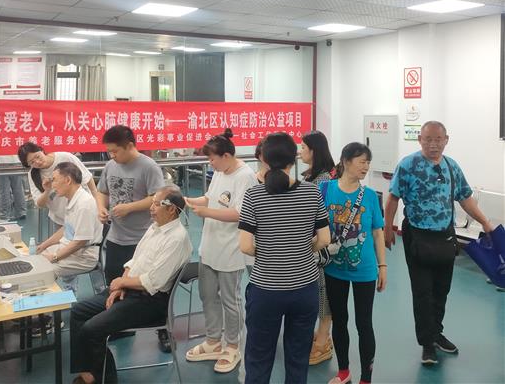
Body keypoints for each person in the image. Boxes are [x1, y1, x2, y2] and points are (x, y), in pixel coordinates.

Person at [384, 120, 493, 365]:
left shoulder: (451, 167)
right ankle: (426, 344)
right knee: (423, 292)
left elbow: (466, 199)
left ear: (446, 139)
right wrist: (387, 227)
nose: (433, 144)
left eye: (438, 139)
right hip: (417, 237)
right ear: (420, 140)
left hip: (444, 236)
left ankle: (437, 333)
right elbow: (393, 199)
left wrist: (485, 222)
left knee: (441, 290)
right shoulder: (408, 165)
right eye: (428, 139)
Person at [70, 186, 192, 384]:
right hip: (131, 289)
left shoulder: (177, 238)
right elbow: (134, 261)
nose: (151, 208)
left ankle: (105, 380)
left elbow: (153, 281)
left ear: (171, 209)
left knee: (91, 330)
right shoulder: (155, 227)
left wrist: (122, 282)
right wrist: (120, 286)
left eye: (156, 204)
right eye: (151, 203)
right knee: (78, 312)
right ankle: (88, 373)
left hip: (150, 302)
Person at [238, 132, 331, 384]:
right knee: (298, 358)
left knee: (258, 357)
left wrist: (271, 250)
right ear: (294, 159)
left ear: (265, 160)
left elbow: (245, 246)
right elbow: (324, 240)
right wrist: (300, 247)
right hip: (304, 289)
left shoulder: (253, 196)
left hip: (265, 290)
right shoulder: (312, 193)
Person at [185, 129, 258, 374]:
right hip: (210, 245)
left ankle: (233, 345)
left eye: (213, 158)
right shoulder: (219, 171)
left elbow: (240, 213)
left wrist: (206, 213)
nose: (210, 163)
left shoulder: (245, 176)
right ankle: (213, 340)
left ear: (226, 155)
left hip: (231, 248)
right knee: (208, 295)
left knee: (230, 300)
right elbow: (209, 198)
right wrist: (188, 201)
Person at [321, 142, 387, 384]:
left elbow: (378, 233)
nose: (366, 167)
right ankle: (344, 371)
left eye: (368, 162)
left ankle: (366, 378)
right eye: (362, 161)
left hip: (365, 270)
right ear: (346, 161)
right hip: (334, 268)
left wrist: (383, 266)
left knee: (364, 323)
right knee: (339, 320)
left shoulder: (369, 196)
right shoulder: (325, 190)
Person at [96, 125, 165, 284]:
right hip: (115, 237)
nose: (111, 155)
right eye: (109, 151)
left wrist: (129, 207)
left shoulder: (149, 167)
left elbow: (157, 198)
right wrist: (101, 208)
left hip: (141, 239)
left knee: (134, 285)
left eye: (115, 151)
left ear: (129, 146)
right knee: (113, 281)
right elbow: (102, 192)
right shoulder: (110, 165)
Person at [36, 162, 102, 292]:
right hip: (70, 248)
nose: (53, 185)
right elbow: (66, 229)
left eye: (54, 180)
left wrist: (55, 257)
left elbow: (80, 242)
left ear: (67, 180)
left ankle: (47, 308)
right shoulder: (72, 199)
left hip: (84, 256)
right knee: (36, 260)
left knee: (42, 271)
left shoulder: (84, 204)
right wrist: (44, 245)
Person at [300, 131, 336, 366]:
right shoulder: (313, 176)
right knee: (318, 290)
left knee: (324, 292)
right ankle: (322, 334)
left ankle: (324, 341)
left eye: (303, 147)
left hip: (322, 246)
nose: (301, 151)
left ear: (314, 150)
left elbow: (318, 216)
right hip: (314, 243)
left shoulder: (323, 180)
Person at [18, 142, 97, 228]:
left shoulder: (65, 157)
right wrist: (47, 191)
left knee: (83, 237)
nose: (37, 162)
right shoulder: (33, 174)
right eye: (32, 162)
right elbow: (39, 203)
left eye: (37, 156)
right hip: (60, 217)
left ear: (41, 150)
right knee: (65, 239)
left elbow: (87, 178)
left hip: (82, 211)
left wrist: (97, 202)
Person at [0, 154, 27, 221]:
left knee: (4, 190)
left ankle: (5, 215)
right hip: (16, 160)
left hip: (1, 160)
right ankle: (21, 212)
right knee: (18, 189)